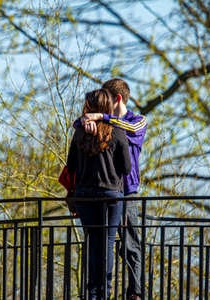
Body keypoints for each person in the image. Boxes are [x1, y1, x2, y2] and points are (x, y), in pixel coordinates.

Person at [78, 78, 147, 300]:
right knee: (100, 245)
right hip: (106, 191)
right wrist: (84, 121)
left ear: (116, 99)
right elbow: (77, 131)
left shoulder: (136, 121)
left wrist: (102, 118)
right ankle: (99, 292)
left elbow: (130, 128)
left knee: (130, 244)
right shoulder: (103, 123)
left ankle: (134, 292)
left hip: (126, 191)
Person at [67, 88, 132, 300]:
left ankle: (93, 292)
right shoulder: (117, 132)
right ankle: (105, 292)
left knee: (92, 242)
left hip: (85, 195)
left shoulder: (80, 134)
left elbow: (71, 166)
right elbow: (127, 168)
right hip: (111, 195)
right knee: (108, 243)